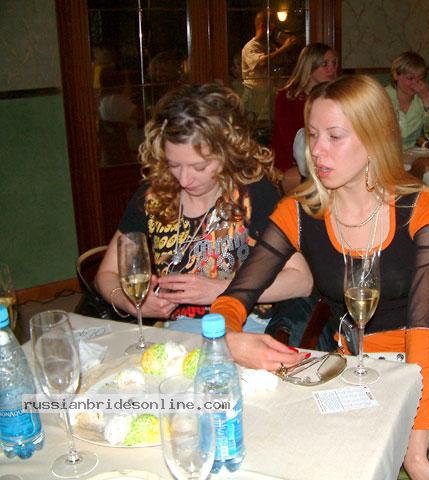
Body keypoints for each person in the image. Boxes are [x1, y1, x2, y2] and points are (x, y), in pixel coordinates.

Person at [210, 75, 429, 480]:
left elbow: (422, 332)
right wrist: (229, 337)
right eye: (313, 135)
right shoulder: (298, 213)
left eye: (334, 136)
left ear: (375, 138)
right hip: (364, 370)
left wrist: (414, 452)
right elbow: (236, 296)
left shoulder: (422, 208)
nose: (316, 150)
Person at [95, 83, 313, 336]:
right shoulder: (152, 197)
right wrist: (131, 303)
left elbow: (301, 280)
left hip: (244, 327)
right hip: (177, 332)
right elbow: (106, 274)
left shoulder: (252, 193)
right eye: (174, 164)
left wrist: (219, 289)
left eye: (199, 167)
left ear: (226, 152)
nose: (184, 179)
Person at [271, 43, 338, 192]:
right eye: (324, 64)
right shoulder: (288, 97)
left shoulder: (332, 97)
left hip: (321, 157)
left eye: (334, 63)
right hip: (291, 164)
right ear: (309, 66)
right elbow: (291, 141)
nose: (331, 69)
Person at [241, 9, 297, 123]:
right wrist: (283, 48)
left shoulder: (270, 46)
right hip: (253, 96)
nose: (273, 27)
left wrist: (289, 48)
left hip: (268, 95)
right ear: (262, 25)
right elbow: (261, 63)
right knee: (250, 126)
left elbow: (283, 64)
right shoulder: (250, 47)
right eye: (271, 24)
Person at [385, 51, 429, 151]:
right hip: (385, 155)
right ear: (396, 75)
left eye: (420, 78)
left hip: (412, 155)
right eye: (410, 78)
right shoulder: (381, 98)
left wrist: (427, 99)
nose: (415, 83)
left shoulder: (423, 99)